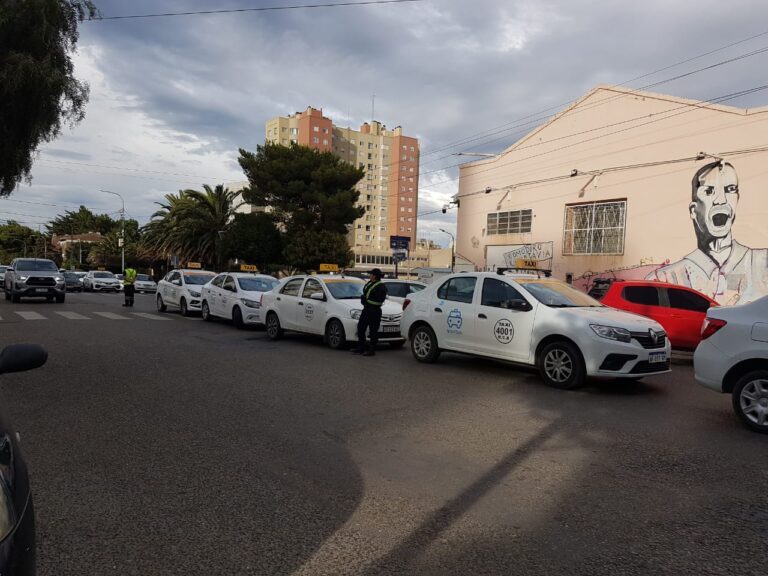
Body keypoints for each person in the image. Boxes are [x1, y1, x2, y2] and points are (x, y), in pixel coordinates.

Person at [646, 161, 768, 304]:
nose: (721, 200)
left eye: (730, 189)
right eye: (709, 191)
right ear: (693, 210)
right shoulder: (664, 278)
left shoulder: (762, 264)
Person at [351, 268, 388, 356]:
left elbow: (379, 301)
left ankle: (371, 350)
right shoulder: (370, 283)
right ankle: (361, 348)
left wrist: (366, 301)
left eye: (371, 274)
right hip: (366, 310)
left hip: (374, 311)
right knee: (361, 328)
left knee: (373, 331)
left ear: (374, 276)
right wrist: (365, 300)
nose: (369, 276)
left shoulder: (381, 287)